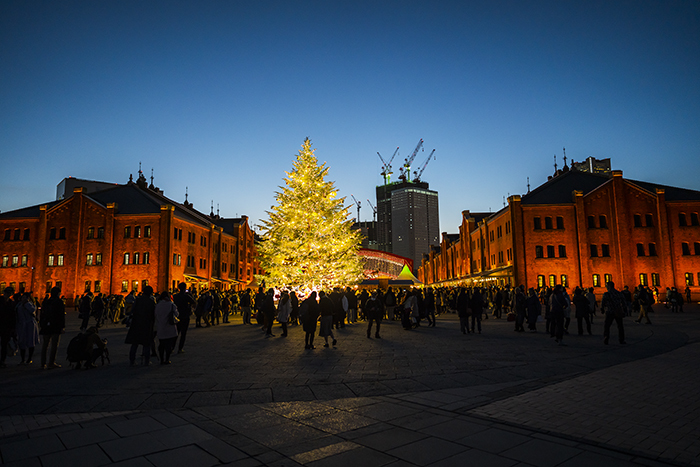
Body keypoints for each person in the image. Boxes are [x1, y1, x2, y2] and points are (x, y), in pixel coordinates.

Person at [125, 285, 156, 366]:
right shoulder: (151, 302)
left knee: (134, 344)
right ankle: (147, 361)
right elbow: (153, 314)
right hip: (147, 324)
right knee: (146, 344)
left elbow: (132, 311)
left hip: (136, 323)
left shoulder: (137, 300)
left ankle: (132, 361)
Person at [40, 286, 65, 369]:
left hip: (46, 326)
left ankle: (43, 363)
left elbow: (42, 314)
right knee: (54, 345)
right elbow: (61, 315)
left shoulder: (46, 302)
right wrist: (62, 327)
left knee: (45, 345)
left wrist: (42, 324)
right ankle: (51, 362)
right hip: (55, 326)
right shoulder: (59, 302)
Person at [154, 291, 179, 365]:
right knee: (169, 344)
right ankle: (167, 359)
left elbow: (155, 315)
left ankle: (161, 359)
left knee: (161, 344)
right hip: (170, 326)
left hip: (160, 326)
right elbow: (176, 314)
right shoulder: (171, 304)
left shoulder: (158, 305)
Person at [15, 293, 40, 365]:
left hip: (30, 325)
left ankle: (29, 358)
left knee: (30, 341)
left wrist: (26, 304)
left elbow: (32, 310)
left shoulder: (30, 304)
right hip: (21, 325)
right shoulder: (19, 305)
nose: (23, 299)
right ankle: (22, 359)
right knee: (22, 342)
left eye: (24, 297)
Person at [173, 282, 195, 353]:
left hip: (177, 315)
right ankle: (180, 348)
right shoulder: (186, 296)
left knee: (176, 333)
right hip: (185, 316)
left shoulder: (175, 296)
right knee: (183, 334)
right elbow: (193, 301)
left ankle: (172, 348)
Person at [601, 281, 626, 345]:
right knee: (620, 326)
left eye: (606, 285)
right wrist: (624, 309)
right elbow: (623, 302)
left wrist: (602, 309)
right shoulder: (618, 293)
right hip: (618, 311)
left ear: (609, 286)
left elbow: (603, 302)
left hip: (610, 311)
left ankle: (606, 337)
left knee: (607, 325)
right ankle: (621, 339)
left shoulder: (606, 294)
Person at [0, 287, 16, 368]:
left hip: (6, 326)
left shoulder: (11, 303)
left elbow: (12, 316)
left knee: (4, 344)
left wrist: (12, 327)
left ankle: (2, 360)